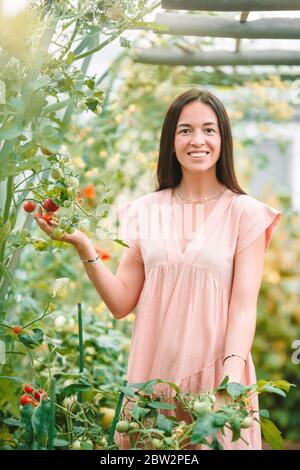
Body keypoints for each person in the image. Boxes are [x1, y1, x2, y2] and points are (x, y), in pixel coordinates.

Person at [34, 88, 282, 450]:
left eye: (209, 130)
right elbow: (121, 303)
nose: (198, 140)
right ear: (171, 141)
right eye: (186, 130)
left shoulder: (245, 213)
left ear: (223, 140)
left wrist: (228, 388)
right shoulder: (145, 211)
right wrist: (83, 245)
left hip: (217, 384)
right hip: (152, 385)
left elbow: (243, 308)